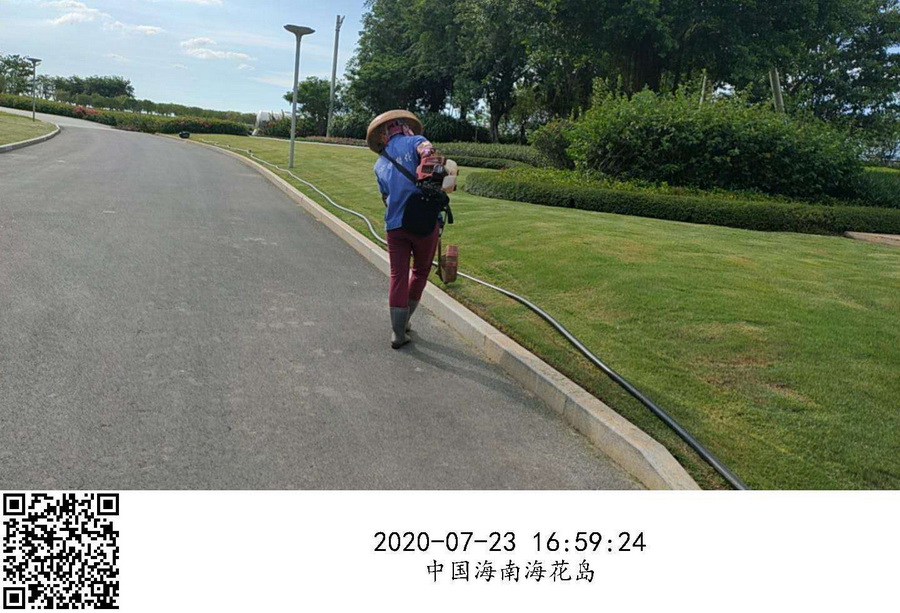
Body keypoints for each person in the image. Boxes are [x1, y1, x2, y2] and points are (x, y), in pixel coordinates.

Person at [366, 110, 442, 349]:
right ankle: (405, 320)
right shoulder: (416, 141)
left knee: (398, 275)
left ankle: (397, 332)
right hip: (424, 222)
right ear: (403, 126)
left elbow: (385, 197)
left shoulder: (379, 164)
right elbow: (428, 152)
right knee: (420, 271)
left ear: (385, 134)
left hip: (395, 225)